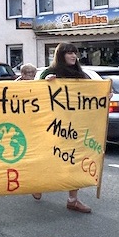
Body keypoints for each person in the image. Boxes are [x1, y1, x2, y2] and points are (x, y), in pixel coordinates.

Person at [36, 43, 93, 213]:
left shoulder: (81, 75)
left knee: (74, 160)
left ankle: (73, 200)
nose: (73, 56)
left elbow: (92, 93)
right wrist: (45, 84)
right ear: (61, 55)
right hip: (52, 124)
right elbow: (34, 95)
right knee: (49, 157)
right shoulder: (50, 73)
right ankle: (37, 183)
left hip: (75, 124)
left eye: (75, 53)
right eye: (69, 53)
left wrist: (104, 94)